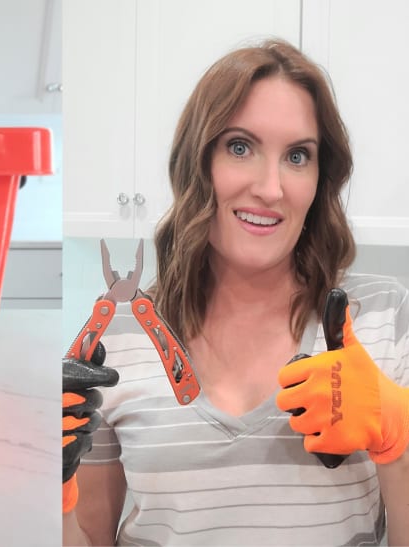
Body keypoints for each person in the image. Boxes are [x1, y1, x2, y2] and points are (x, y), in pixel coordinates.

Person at [62, 38, 409, 546]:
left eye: (297, 155)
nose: (271, 188)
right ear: (196, 162)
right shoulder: (115, 342)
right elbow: (90, 535)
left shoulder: (385, 317)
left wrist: (397, 436)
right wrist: (56, 488)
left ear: (320, 178)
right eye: (240, 147)